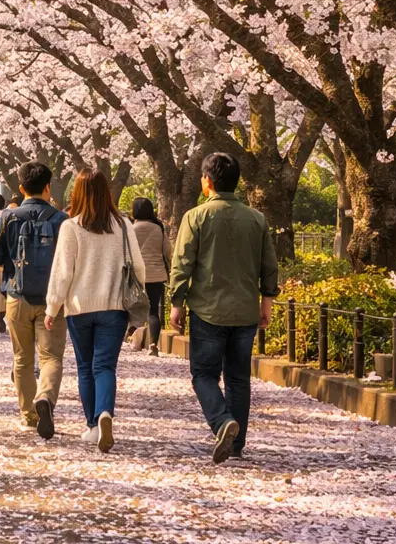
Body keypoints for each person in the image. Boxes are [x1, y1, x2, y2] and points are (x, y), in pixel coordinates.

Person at [169, 153, 279, 464]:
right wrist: (266, 302)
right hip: (245, 310)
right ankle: (237, 442)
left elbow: (182, 264)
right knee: (238, 378)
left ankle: (221, 422)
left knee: (203, 373)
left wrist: (176, 303)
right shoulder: (256, 219)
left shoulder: (195, 217)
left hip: (207, 310)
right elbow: (269, 266)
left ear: (207, 181)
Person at [43, 168, 145, 454]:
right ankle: (105, 414)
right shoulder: (123, 225)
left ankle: (92, 425)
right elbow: (138, 268)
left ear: (77, 193)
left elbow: (62, 273)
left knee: (85, 367)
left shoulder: (71, 226)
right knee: (105, 367)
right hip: (114, 308)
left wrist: (52, 307)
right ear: (107, 193)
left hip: (79, 308)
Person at [0, 162, 69, 440]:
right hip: (52, 301)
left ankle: (28, 414)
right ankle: (45, 397)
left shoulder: (8, 218)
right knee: (51, 357)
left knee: (22, 358)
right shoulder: (61, 220)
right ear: (48, 186)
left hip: (17, 296)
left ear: (21, 188)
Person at [130, 197, 170, 355]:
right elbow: (168, 250)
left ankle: (132, 337)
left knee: (133, 307)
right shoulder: (158, 228)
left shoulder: (131, 230)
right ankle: (153, 344)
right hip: (156, 275)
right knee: (153, 311)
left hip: (136, 276)